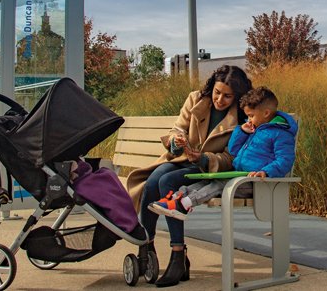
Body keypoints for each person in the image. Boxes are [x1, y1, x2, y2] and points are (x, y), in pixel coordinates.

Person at [126, 65, 252, 287]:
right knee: (153, 180)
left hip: (208, 170)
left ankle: (177, 254)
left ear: (237, 97)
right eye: (217, 92)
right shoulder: (195, 99)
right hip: (181, 160)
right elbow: (178, 128)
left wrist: (203, 158)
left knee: (165, 180)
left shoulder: (242, 118)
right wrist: (176, 142)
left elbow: (231, 158)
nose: (219, 99)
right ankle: (147, 245)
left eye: (227, 96)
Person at [147, 86, 297, 220]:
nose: (249, 120)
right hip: (238, 175)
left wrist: (266, 172)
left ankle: (185, 204)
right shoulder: (256, 129)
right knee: (207, 182)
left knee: (219, 184)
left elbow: (285, 159)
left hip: (256, 183)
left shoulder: (281, 134)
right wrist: (241, 131)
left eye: (251, 115)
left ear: (266, 113)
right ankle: (176, 198)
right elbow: (233, 150)